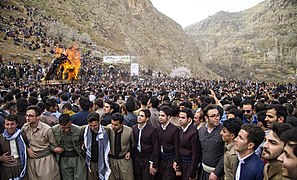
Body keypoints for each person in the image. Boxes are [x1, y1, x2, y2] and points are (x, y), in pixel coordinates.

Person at [22, 105, 60, 180]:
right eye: (26, 115)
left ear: (38, 117)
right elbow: (22, 141)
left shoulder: (47, 130)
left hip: (46, 161)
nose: (27, 118)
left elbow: (54, 145)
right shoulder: (25, 127)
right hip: (31, 161)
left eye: (31, 116)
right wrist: (27, 148)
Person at [52, 114, 86, 180]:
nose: (67, 130)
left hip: (77, 158)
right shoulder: (53, 130)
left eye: (69, 127)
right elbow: (49, 143)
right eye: (64, 128)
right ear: (60, 124)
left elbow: (84, 141)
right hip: (63, 159)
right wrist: (54, 149)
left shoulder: (78, 130)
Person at [199, 104, 224, 180]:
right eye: (213, 116)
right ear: (206, 118)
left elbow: (225, 154)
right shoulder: (201, 130)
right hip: (204, 170)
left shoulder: (223, 131)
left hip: (217, 173)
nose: (217, 118)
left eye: (217, 115)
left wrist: (216, 172)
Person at [132, 109, 159, 180]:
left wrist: (153, 163)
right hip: (137, 158)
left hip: (147, 159)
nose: (139, 117)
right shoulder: (134, 128)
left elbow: (155, 148)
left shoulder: (152, 130)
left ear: (147, 118)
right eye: (139, 115)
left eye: (142, 116)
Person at [106, 112, 134, 180]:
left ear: (121, 124)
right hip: (111, 160)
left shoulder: (129, 131)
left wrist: (129, 151)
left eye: (116, 125)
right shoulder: (108, 128)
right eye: (112, 124)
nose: (113, 126)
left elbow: (133, 143)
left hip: (124, 160)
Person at [84, 112, 111, 180]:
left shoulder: (106, 131)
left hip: (103, 161)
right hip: (91, 163)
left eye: (95, 125)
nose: (92, 128)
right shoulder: (85, 131)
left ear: (99, 122)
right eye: (90, 126)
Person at [156, 106, 181, 179]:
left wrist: (176, 161)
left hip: (170, 159)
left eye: (163, 116)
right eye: (159, 115)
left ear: (168, 117)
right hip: (160, 158)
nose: (160, 117)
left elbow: (177, 147)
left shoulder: (174, 129)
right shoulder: (158, 129)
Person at [0, 114, 27, 180]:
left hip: (20, 167)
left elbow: (27, 146)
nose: (10, 127)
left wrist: (28, 148)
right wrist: (0, 158)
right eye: (7, 124)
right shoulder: (1, 137)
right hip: (5, 169)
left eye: (12, 124)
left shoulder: (22, 136)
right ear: (4, 125)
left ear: (17, 124)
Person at [178, 108, 200, 180]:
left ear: (189, 119)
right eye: (179, 117)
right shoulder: (180, 129)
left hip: (189, 163)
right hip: (181, 162)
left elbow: (195, 153)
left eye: (183, 118)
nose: (180, 119)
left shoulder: (193, 132)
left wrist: (192, 171)